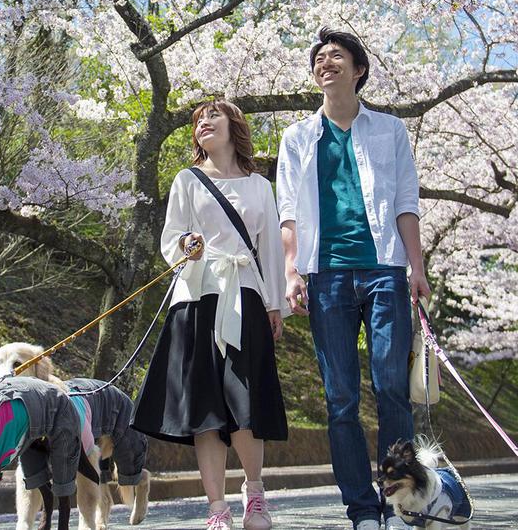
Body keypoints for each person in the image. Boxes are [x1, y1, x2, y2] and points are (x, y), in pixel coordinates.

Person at [277, 27, 431, 530]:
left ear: (358, 69)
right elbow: (289, 214)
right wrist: (292, 272)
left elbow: (406, 203)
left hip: (385, 269)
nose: (327, 63)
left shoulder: (389, 130)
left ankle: (398, 500)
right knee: (340, 399)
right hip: (327, 277)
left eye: (337, 56)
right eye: (320, 58)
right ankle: (363, 510)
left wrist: (418, 268)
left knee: (390, 388)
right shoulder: (297, 137)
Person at [132, 99, 290, 530]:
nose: (203, 122)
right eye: (198, 120)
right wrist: (186, 245)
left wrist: (276, 303)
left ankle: (255, 496)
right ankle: (216, 508)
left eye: (212, 116)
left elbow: (271, 250)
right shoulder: (188, 180)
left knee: (245, 402)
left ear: (233, 126)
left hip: (246, 295)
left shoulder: (260, 186)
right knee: (205, 407)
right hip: (196, 297)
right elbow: (171, 239)